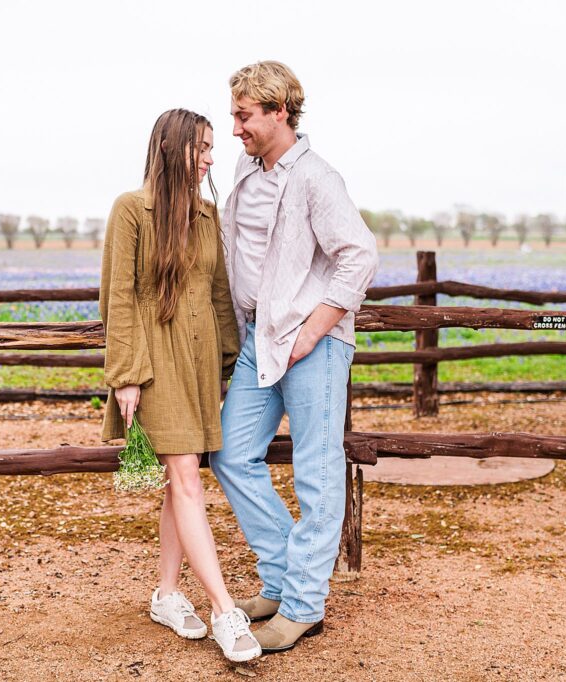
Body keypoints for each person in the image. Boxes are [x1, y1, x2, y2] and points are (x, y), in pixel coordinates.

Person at [210, 61, 380, 654]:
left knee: (317, 470)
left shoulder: (317, 179)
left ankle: (304, 605)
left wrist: (315, 330)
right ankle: (285, 578)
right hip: (261, 339)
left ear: (280, 111)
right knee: (230, 453)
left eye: (244, 115)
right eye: (234, 115)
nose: (235, 128)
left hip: (312, 344)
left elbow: (359, 256)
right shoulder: (245, 171)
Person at [99, 108, 260, 662]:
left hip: (197, 367)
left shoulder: (207, 214)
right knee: (188, 478)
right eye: (202, 148)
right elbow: (118, 299)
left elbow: (220, 298)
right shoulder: (131, 211)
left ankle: (167, 594)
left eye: (213, 147)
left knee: (179, 479)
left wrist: (227, 369)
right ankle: (223, 609)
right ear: (172, 149)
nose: (212, 158)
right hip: (153, 365)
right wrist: (126, 376)